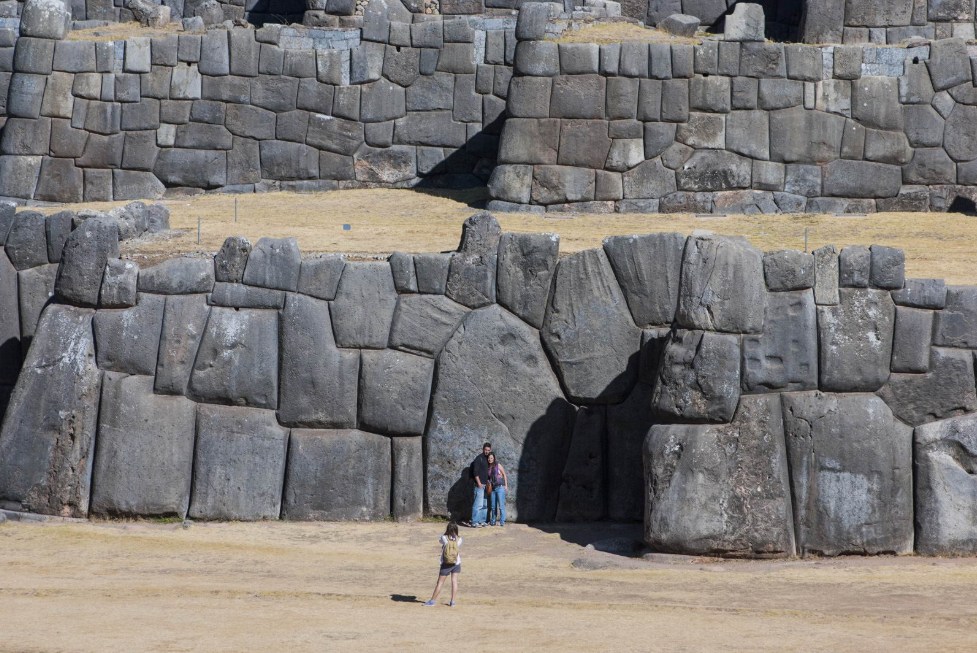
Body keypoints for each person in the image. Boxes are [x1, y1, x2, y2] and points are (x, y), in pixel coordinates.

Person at [424, 522, 462, 607]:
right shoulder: (460, 539)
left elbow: (440, 541)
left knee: (440, 582)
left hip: (446, 563)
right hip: (456, 562)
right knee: (454, 581)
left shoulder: (444, 538)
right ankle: (452, 602)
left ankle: (432, 601)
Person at [469, 442, 491, 528]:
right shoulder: (479, 458)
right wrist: (479, 483)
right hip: (480, 485)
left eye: (488, 450)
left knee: (484, 505)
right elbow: (475, 472)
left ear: (490, 450)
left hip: (486, 486)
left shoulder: (488, 459)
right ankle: (474, 522)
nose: (487, 451)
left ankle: (482, 521)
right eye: (485, 450)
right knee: (477, 504)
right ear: (483, 449)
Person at [486, 452, 508, 527]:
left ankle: (502, 522)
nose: (490, 459)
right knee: (493, 506)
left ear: (494, 458)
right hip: (493, 488)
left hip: (500, 487)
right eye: (489, 458)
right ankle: (493, 521)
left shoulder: (498, 465)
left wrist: (506, 486)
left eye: (491, 458)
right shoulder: (488, 467)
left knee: (501, 506)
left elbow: (504, 474)